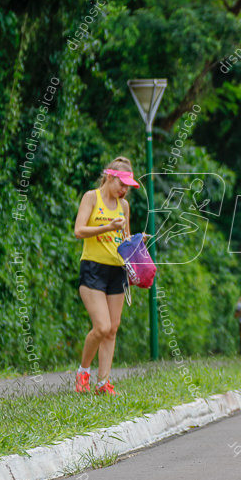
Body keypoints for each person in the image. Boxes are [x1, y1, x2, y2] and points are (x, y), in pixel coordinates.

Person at [73, 156, 140, 395]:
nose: (124, 190)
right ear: (110, 177)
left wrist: (137, 246)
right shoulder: (92, 197)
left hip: (117, 270)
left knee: (112, 328)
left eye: (128, 187)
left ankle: (103, 383)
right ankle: (83, 372)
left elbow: (125, 239)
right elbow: (79, 231)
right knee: (101, 327)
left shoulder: (124, 207)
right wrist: (107, 227)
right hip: (93, 267)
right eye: (121, 184)